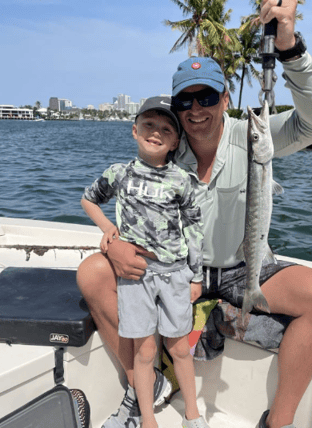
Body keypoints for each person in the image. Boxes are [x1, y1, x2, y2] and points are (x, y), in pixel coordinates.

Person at [77, 0, 312, 428]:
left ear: (225, 98)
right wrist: (111, 244)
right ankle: (138, 388)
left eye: (207, 97)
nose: (196, 109)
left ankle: (277, 421)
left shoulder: (254, 135)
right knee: (91, 273)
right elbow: (130, 207)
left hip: (246, 267)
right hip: (180, 269)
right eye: (186, 100)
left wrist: (290, 47)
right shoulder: (164, 152)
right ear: (175, 108)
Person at [81, 97, 210, 428]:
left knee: (180, 349)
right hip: (135, 276)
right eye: (149, 125)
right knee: (144, 352)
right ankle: (148, 419)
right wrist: (109, 229)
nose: (156, 133)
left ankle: (193, 414)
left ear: (176, 142)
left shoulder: (183, 181)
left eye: (167, 128)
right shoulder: (119, 173)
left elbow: (194, 231)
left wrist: (196, 277)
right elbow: (88, 198)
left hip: (174, 274)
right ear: (135, 129)